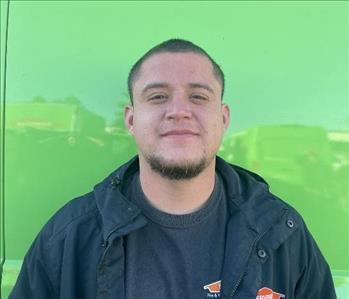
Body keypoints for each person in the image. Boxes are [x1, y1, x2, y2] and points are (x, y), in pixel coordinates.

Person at [10, 39, 336, 299]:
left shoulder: (283, 234)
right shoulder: (68, 238)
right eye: (158, 96)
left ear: (223, 119)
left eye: (198, 96)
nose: (179, 111)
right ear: (131, 119)